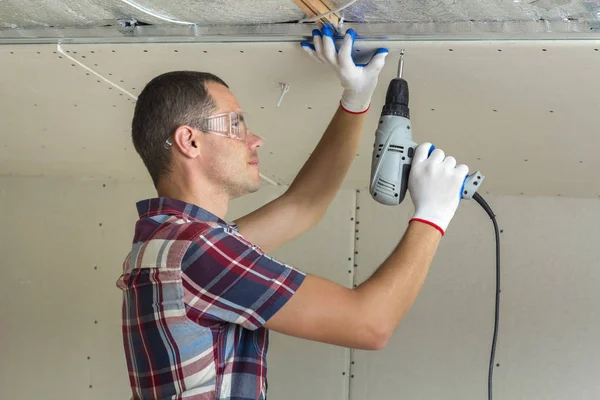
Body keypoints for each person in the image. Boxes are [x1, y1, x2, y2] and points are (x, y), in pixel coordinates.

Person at [116, 26, 468, 400]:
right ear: (190, 141)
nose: (254, 139)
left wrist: (357, 97)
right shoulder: (196, 251)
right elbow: (370, 324)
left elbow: (303, 206)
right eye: (236, 124)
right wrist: (433, 215)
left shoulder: (170, 243)